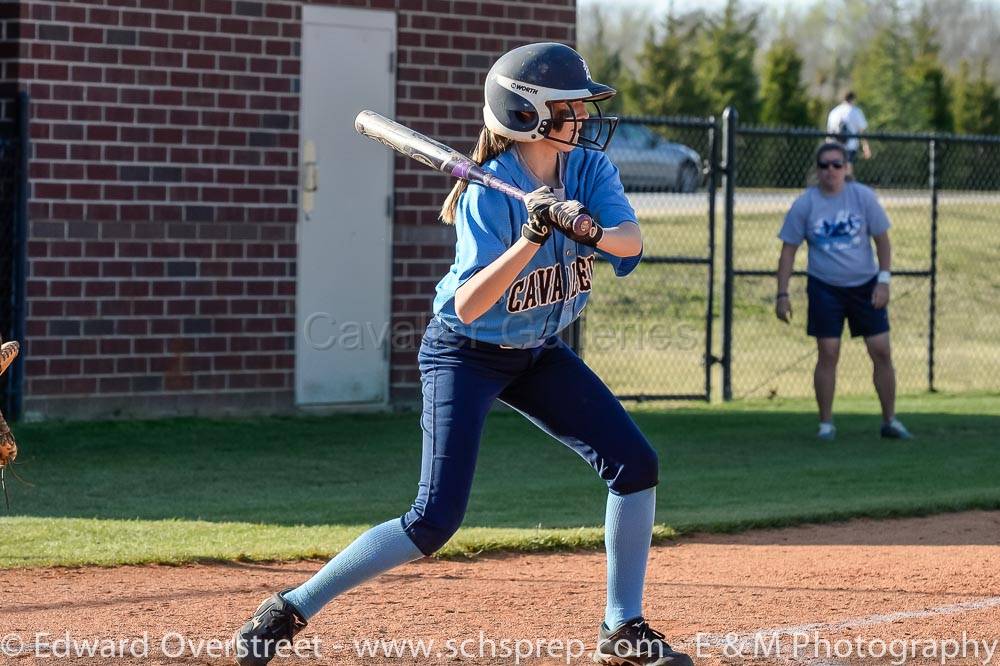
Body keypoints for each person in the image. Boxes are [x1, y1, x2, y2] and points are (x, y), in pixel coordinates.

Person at [232, 42, 694, 666]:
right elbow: (472, 305)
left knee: (636, 464)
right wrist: (534, 235)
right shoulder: (488, 196)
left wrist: (586, 229)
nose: (583, 117)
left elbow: (629, 244)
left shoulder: (588, 172)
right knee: (433, 520)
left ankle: (623, 625)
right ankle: (289, 607)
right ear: (528, 114)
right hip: (465, 354)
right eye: (570, 107)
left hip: (537, 349)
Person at [775, 142, 912, 442]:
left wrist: (884, 281)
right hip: (825, 287)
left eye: (837, 164)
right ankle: (826, 425)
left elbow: (883, 241)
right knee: (828, 352)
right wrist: (782, 294)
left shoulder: (862, 197)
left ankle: (890, 420)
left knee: (881, 351)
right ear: (817, 169)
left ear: (847, 167)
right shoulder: (806, 204)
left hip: (865, 286)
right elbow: (788, 251)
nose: (831, 171)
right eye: (824, 165)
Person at [826, 91, 871, 174]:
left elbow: (829, 131)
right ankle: (847, 184)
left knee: (835, 168)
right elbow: (862, 131)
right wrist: (866, 147)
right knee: (848, 167)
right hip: (849, 145)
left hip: (833, 145)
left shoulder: (834, 112)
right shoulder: (855, 111)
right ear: (853, 99)